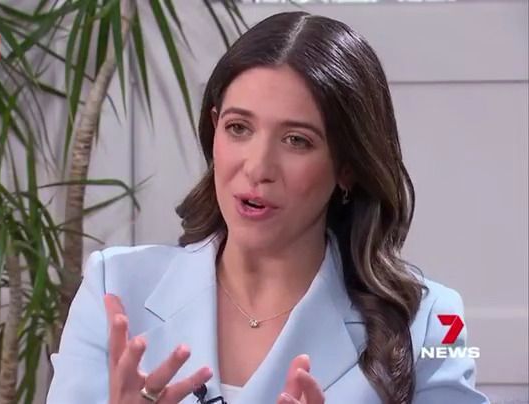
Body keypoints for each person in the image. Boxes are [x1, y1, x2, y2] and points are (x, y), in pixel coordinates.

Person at [45, 11, 490, 404]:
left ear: (348, 166)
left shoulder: (431, 321)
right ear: (214, 130)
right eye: (238, 128)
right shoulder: (115, 288)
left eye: (297, 140)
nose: (257, 168)